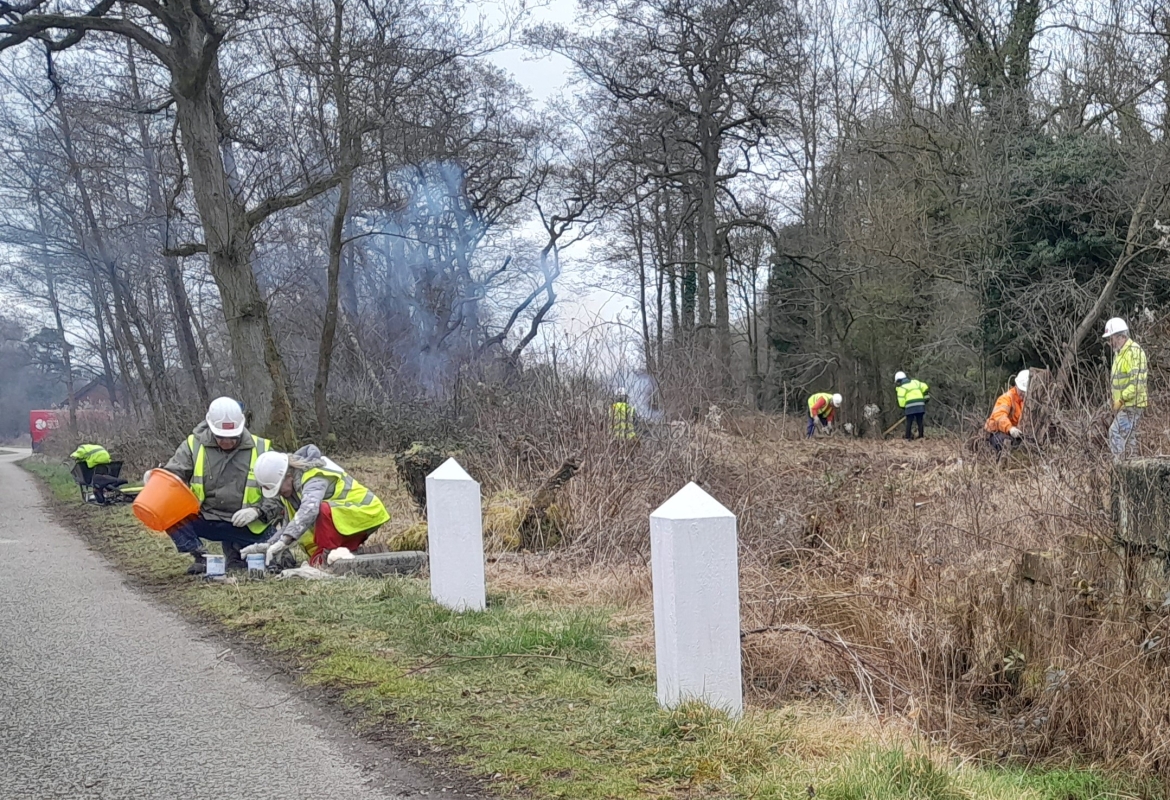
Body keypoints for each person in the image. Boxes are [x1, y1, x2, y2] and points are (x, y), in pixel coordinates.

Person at [162, 397, 282, 574]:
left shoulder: (262, 449)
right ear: (210, 427)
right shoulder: (192, 445)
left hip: (248, 523)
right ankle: (200, 557)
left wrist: (259, 511)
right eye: (221, 437)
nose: (227, 442)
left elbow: (279, 493)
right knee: (166, 511)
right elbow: (172, 478)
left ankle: (237, 554)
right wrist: (158, 480)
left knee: (281, 556)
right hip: (204, 517)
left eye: (233, 437)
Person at [244, 445, 391, 568]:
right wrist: (267, 546)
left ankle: (325, 559)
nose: (280, 493)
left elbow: (310, 509)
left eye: (279, 488)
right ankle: (353, 556)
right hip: (348, 519)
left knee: (321, 510)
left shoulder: (313, 477)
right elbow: (289, 525)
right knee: (320, 557)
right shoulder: (292, 491)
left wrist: (285, 541)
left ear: (288, 475)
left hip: (364, 512)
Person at [1104, 317, 1148, 460]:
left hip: (1131, 404)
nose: (1110, 343)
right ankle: (1131, 470)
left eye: (1111, 339)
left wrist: (1121, 400)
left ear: (1121, 336)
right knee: (1128, 439)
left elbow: (1136, 383)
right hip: (1126, 405)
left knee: (1116, 433)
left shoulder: (1133, 352)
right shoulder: (1120, 353)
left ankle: (1122, 467)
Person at [985, 370, 1028, 453]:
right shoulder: (1006, 398)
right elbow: (999, 416)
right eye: (1021, 391)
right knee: (1002, 441)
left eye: (1025, 392)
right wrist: (1010, 428)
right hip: (997, 432)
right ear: (1016, 386)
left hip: (1016, 434)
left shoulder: (1027, 402)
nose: (1023, 394)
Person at [894, 372, 930, 440]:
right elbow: (925, 386)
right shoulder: (915, 382)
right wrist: (926, 396)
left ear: (899, 381)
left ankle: (908, 437)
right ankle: (921, 436)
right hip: (920, 404)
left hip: (910, 406)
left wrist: (904, 407)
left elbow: (901, 401)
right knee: (920, 421)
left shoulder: (902, 388)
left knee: (909, 421)